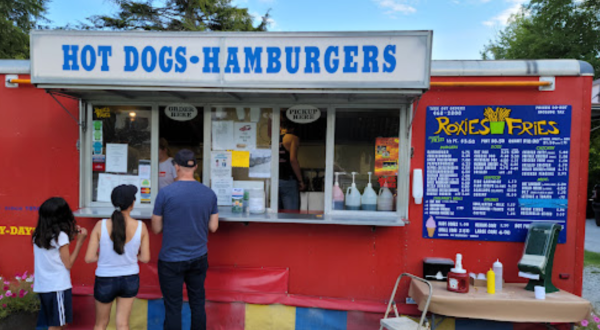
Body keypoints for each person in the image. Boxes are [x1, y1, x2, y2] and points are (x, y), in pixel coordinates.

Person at [151, 149, 219, 330]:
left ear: (176, 166)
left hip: (171, 260)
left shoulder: (165, 193)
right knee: (198, 303)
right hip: (198, 258)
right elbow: (213, 227)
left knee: (173, 307)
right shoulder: (209, 194)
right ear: (195, 167)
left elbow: (156, 228)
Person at [84, 185, 151, 330]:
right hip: (130, 278)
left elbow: (89, 258)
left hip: (105, 279)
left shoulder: (100, 225)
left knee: (100, 324)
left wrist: (102, 255)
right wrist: (134, 254)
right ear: (132, 203)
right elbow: (145, 258)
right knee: (123, 324)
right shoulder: (141, 227)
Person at [32, 197, 88, 330]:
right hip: (58, 286)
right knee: (58, 325)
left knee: (55, 323)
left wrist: (71, 236)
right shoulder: (60, 236)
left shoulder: (38, 235)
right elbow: (68, 264)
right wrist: (80, 242)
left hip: (43, 286)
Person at [279, 119, 305, 210]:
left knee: (277, 213)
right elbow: (293, 160)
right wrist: (301, 181)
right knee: (291, 215)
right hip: (288, 180)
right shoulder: (293, 138)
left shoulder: (273, 139)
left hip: (275, 180)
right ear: (293, 128)